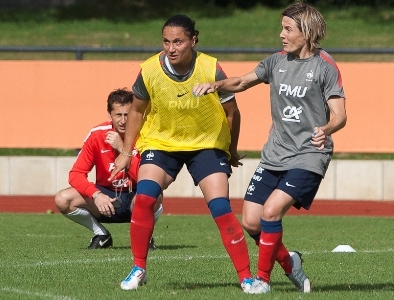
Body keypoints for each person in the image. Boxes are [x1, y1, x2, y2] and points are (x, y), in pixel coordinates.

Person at [193, 1, 347, 294]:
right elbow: (241, 82)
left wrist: (325, 129)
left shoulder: (325, 66)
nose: (281, 34)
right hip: (275, 153)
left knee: (271, 212)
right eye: (282, 28)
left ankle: (262, 280)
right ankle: (290, 263)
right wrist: (216, 85)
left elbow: (340, 115)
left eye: (288, 29)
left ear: (307, 31)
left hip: (309, 154)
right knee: (252, 222)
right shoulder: (276, 62)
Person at [108, 15, 253, 293]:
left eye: (178, 41)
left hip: (206, 143)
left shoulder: (210, 68)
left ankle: (246, 278)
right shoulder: (149, 69)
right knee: (145, 198)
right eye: (166, 41)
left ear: (193, 40)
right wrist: (127, 151)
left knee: (221, 208)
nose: (171, 48)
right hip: (161, 143)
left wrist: (231, 150)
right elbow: (137, 111)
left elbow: (232, 113)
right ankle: (139, 268)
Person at [55, 88, 163, 250]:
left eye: (127, 115)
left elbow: (148, 178)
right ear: (110, 115)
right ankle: (101, 235)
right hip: (104, 197)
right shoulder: (97, 135)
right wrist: (96, 195)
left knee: (154, 194)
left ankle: (145, 237)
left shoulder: (145, 135)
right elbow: (76, 174)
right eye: (118, 115)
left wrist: (122, 149)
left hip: (134, 196)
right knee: (63, 198)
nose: (123, 120)